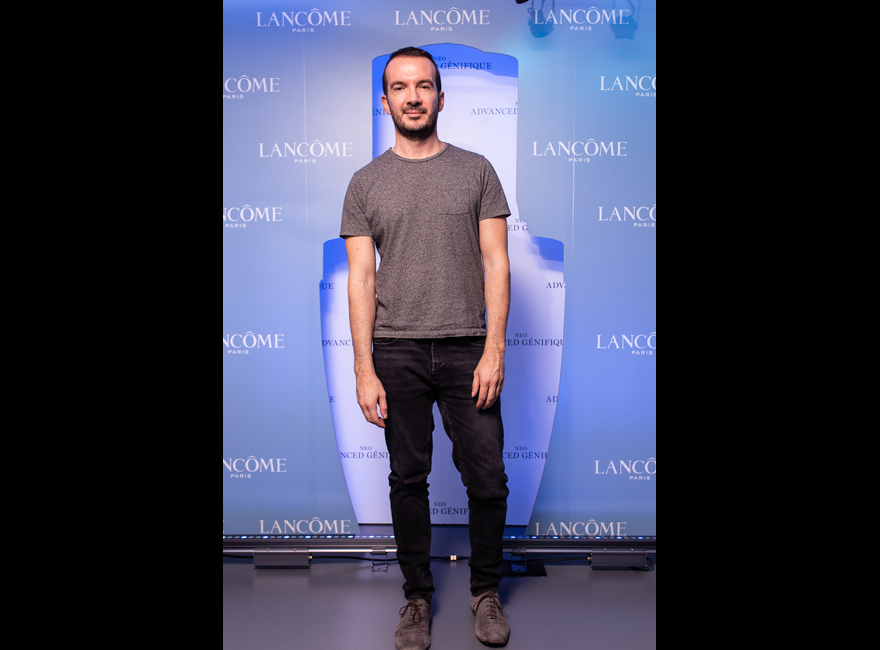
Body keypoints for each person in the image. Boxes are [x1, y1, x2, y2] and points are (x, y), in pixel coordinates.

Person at [340, 46, 512, 650]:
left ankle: (485, 591)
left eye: (423, 86)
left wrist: (494, 351)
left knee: (487, 479)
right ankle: (416, 598)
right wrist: (364, 369)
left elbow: (497, 262)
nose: (412, 97)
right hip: (397, 350)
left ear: (441, 97)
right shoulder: (365, 183)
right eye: (400, 87)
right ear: (385, 101)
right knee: (408, 478)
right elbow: (361, 280)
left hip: (468, 348)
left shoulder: (477, 170)